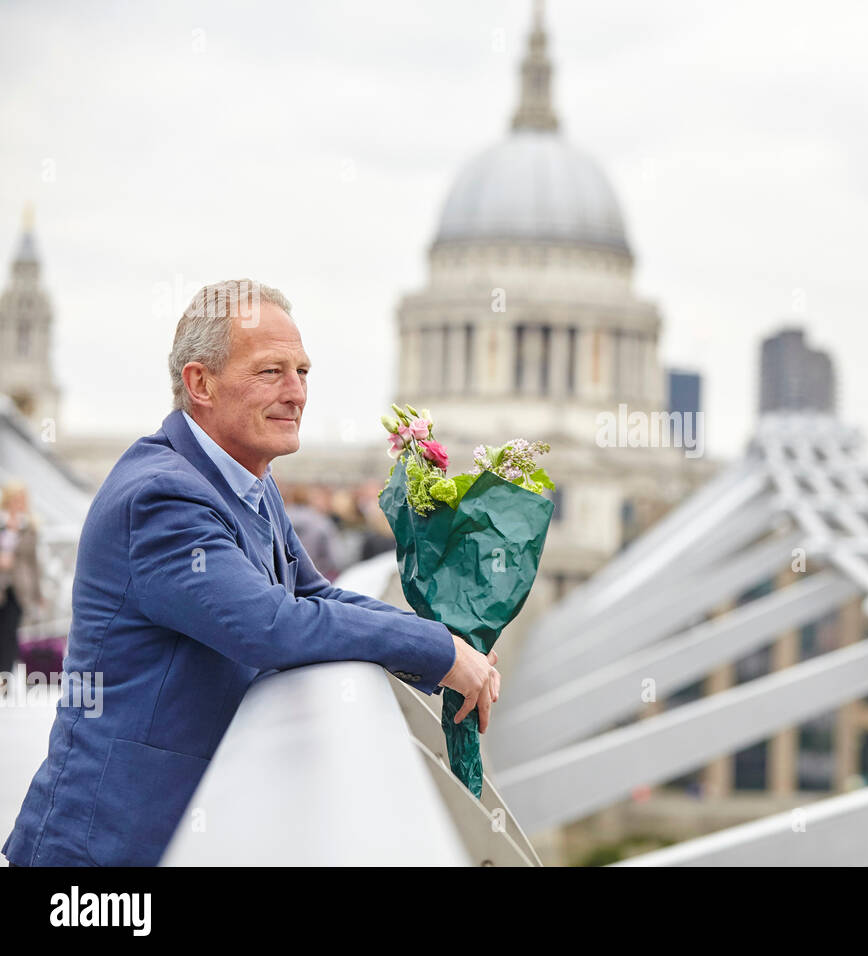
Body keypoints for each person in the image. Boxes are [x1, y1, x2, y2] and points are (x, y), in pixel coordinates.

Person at [2, 279, 500, 867]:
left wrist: (448, 649)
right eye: (271, 372)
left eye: (303, 371)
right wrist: (436, 649)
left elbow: (315, 594)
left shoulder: (248, 480)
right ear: (200, 383)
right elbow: (270, 625)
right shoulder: (162, 496)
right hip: (100, 853)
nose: (297, 393)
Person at [0, 481, 43, 692]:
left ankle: (3, 682)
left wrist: (37, 593)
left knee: (9, 634)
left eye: (22, 500)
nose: (19, 504)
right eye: (16, 499)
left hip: (19, 588)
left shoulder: (30, 527)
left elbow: (34, 562)